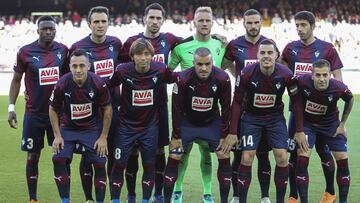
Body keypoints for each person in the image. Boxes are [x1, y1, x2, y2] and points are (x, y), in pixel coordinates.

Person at [119, 3, 181, 202]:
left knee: (158, 150)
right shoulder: (131, 42)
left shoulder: (169, 39)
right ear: (144, 18)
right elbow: (120, 68)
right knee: (133, 150)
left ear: (163, 20)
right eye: (151, 18)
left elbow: (193, 42)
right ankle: (131, 194)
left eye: (158, 18)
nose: (154, 22)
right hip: (133, 109)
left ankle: (159, 194)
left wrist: (216, 38)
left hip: (160, 106)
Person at [279, 10, 343, 203]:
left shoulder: (327, 49)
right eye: (297, 25)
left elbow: (338, 80)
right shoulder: (290, 49)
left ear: (313, 26)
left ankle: (330, 192)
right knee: (293, 155)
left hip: (322, 116)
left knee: (324, 152)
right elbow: (280, 73)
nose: (299, 29)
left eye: (303, 25)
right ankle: (293, 196)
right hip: (297, 113)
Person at [228, 39, 302, 203]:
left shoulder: (286, 74)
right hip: (251, 119)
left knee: (282, 157)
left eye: (270, 52)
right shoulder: (246, 73)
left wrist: (300, 130)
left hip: (275, 119)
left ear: (276, 55)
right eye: (263, 52)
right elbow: (237, 102)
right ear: (257, 55)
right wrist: (233, 132)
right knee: (246, 157)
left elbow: (296, 102)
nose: (266, 56)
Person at [8, 15, 69, 203]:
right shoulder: (25, 52)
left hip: (57, 116)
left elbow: (70, 79)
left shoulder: (63, 51)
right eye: (44, 29)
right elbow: (16, 80)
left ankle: (64, 198)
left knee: (62, 158)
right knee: (32, 156)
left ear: (55, 30)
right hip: (34, 114)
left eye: (51, 28)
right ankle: (33, 199)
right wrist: (11, 107)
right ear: (38, 31)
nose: (48, 32)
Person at [163, 47, 236, 203]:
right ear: (193, 63)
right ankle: (173, 195)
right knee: (175, 153)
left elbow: (226, 108)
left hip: (211, 123)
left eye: (207, 64)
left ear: (212, 63)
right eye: (199, 64)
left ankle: (214, 196)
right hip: (187, 123)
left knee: (223, 154)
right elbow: (176, 109)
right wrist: (176, 136)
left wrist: (224, 135)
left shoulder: (223, 78)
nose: (203, 68)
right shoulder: (182, 78)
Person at [167, 7, 226, 203]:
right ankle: (177, 190)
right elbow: (168, 73)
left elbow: (224, 72)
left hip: (210, 111)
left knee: (206, 152)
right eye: (200, 20)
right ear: (194, 22)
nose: (204, 23)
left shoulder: (220, 44)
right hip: (185, 112)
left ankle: (207, 193)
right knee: (182, 152)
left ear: (212, 22)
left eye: (207, 20)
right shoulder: (181, 47)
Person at [107, 38, 175, 203]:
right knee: (119, 164)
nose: (143, 58)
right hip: (126, 127)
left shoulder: (161, 69)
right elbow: (106, 84)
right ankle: (116, 199)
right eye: (139, 54)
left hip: (149, 127)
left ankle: (145, 199)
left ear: (152, 56)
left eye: (146, 54)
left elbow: (179, 79)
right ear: (132, 57)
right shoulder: (122, 70)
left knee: (149, 165)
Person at [69, 6, 122, 203]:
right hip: (89, 113)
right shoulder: (78, 47)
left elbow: (126, 69)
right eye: (96, 22)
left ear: (109, 22)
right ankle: (89, 198)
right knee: (87, 157)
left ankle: (111, 197)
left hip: (113, 109)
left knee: (111, 156)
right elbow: (68, 76)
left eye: (103, 21)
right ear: (89, 24)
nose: (100, 25)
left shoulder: (116, 44)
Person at [50, 49, 112, 203]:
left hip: (91, 128)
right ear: (70, 67)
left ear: (88, 66)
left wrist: (103, 137)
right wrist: (57, 136)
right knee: (58, 159)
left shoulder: (98, 83)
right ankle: (65, 200)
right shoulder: (62, 83)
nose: (78, 70)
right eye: (75, 66)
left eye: (82, 66)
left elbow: (107, 109)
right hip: (68, 128)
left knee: (99, 161)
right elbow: (52, 109)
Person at [221, 9, 271, 203]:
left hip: (265, 110)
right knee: (240, 154)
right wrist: (241, 78)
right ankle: (235, 196)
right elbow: (223, 65)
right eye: (249, 23)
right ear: (244, 24)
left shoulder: (268, 45)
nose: (253, 26)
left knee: (263, 155)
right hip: (242, 109)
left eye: (256, 22)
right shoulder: (235, 45)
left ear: (261, 23)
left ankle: (265, 197)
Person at [294, 59, 353, 203]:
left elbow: (350, 99)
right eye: (318, 75)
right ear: (312, 75)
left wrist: (342, 124)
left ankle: (342, 201)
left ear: (330, 75)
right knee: (302, 159)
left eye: (325, 75)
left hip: (331, 125)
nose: (322, 79)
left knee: (343, 160)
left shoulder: (338, 87)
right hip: (309, 125)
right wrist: (299, 129)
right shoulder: (301, 81)